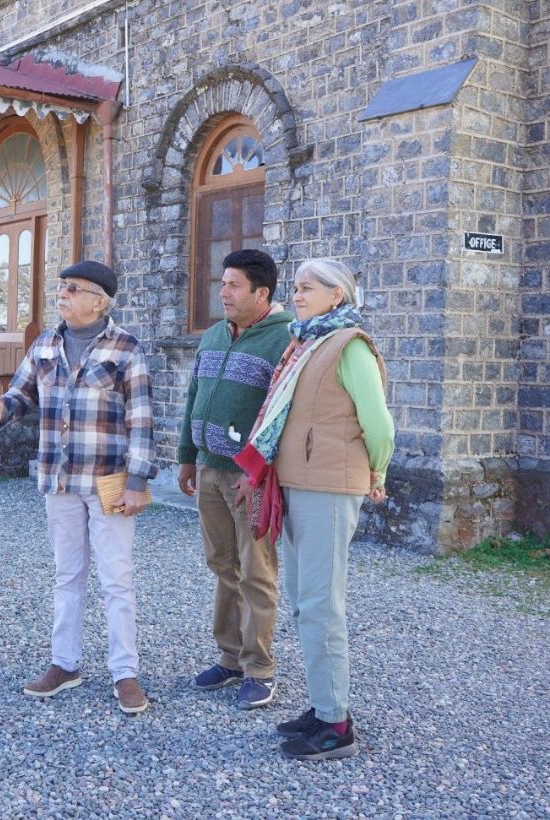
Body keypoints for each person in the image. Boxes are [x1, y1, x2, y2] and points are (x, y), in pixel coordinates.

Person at [0, 260, 157, 715]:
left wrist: (136, 481)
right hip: (58, 479)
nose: (62, 294)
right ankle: (64, 664)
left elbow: (143, 419)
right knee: (66, 576)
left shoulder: (126, 348)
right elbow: (21, 393)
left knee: (117, 580)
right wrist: (0, 410)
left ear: (99, 300)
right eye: (61, 287)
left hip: (109, 481)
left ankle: (124, 673)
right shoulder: (45, 344)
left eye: (72, 288)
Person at [234, 258, 393, 760]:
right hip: (300, 483)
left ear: (337, 296)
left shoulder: (350, 346)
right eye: (297, 287)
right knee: (306, 603)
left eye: (309, 288)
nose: (298, 295)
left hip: (327, 487)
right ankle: (325, 705)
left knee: (323, 607)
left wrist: (377, 473)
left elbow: (380, 426)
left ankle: (336, 727)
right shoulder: (306, 342)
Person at [177, 249, 295, 710]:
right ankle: (229, 657)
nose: (222, 292)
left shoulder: (284, 340)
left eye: (233, 285)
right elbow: (193, 398)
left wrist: (257, 472)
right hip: (209, 469)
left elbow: (284, 415)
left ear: (261, 293)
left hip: (252, 480)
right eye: (222, 283)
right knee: (222, 567)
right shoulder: (212, 335)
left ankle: (260, 670)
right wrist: (187, 457)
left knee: (257, 573)